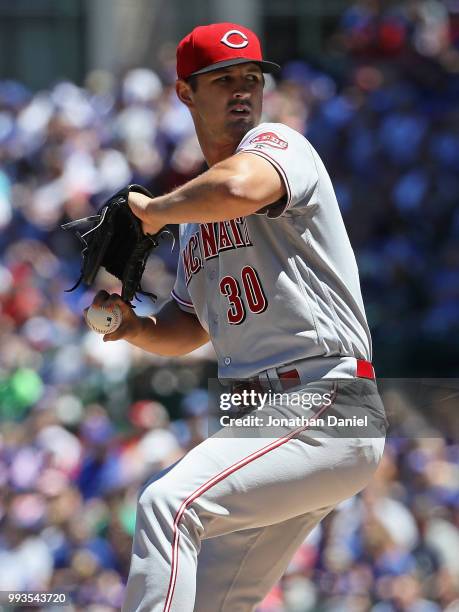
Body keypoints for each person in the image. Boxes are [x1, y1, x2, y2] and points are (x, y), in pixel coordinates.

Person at [87, 22, 387, 612]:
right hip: (266, 419)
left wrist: (151, 211)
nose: (243, 90)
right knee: (209, 600)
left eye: (252, 77)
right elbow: (190, 326)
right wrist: (133, 327)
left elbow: (243, 187)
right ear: (185, 93)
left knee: (166, 506)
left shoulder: (278, 145)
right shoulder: (194, 222)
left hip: (325, 399)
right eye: (223, 80)